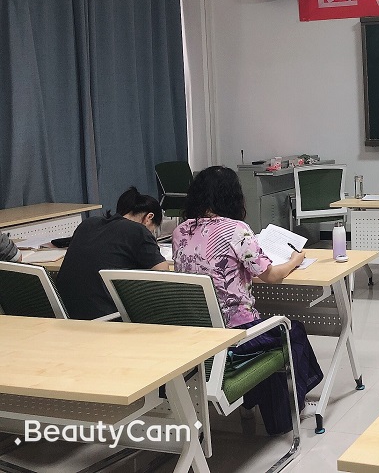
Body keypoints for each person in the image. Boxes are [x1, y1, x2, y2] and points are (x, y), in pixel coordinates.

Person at [172, 165, 323, 436]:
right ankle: (292, 408)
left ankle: (253, 404)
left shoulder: (180, 231)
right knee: (291, 331)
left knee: (272, 335)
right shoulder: (236, 230)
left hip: (198, 333)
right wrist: (295, 260)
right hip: (235, 335)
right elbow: (272, 276)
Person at [56, 187, 168, 320]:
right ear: (149, 218)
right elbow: (163, 273)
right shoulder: (138, 230)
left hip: (63, 315)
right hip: (103, 318)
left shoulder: (88, 224)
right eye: (153, 230)